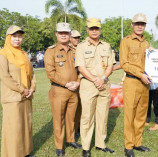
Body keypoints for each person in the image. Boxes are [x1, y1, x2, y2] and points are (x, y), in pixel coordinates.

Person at [75, 18, 115, 157]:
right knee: (87, 117)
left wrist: (102, 78)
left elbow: (110, 65)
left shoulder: (107, 46)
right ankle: (86, 147)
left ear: (100, 29)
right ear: (87, 29)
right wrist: (95, 80)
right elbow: (80, 66)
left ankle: (100, 144)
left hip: (104, 84)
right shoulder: (81, 46)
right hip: (88, 85)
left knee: (103, 116)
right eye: (91, 28)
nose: (94, 30)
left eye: (96, 28)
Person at [44, 23, 81, 156]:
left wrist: (77, 83)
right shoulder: (51, 51)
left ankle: (70, 140)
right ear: (56, 34)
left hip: (74, 90)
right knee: (58, 119)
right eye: (61, 32)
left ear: (70, 34)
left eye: (66, 32)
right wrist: (66, 84)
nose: (64, 35)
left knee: (71, 118)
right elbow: (50, 73)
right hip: (59, 90)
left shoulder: (75, 50)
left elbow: (80, 69)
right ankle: (59, 146)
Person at [0, 25, 36, 157]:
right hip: (12, 98)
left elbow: (32, 74)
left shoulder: (24, 55)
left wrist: (31, 89)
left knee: (26, 126)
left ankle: (25, 152)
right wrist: (22, 90)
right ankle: (13, 154)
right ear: (8, 38)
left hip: (26, 97)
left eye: (20, 36)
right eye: (14, 36)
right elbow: (4, 76)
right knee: (14, 128)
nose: (17, 39)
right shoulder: (3, 54)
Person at [119, 13, 151, 157]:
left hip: (145, 83)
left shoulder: (146, 43)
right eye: (137, 23)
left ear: (145, 26)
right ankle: (128, 146)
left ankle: (138, 142)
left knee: (141, 114)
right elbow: (124, 64)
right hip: (132, 81)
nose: (140, 26)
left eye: (142, 24)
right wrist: (140, 75)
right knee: (130, 115)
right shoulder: (125, 41)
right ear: (132, 25)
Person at [69, 29, 82, 138]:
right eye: (74, 37)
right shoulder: (67, 50)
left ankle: (78, 128)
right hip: (71, 82)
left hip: (81, 82)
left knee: (81, 107)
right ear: (70, 38)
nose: (77, 39)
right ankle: (71, 129)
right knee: (71, 108)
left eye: (78, 37)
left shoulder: (81, 49)